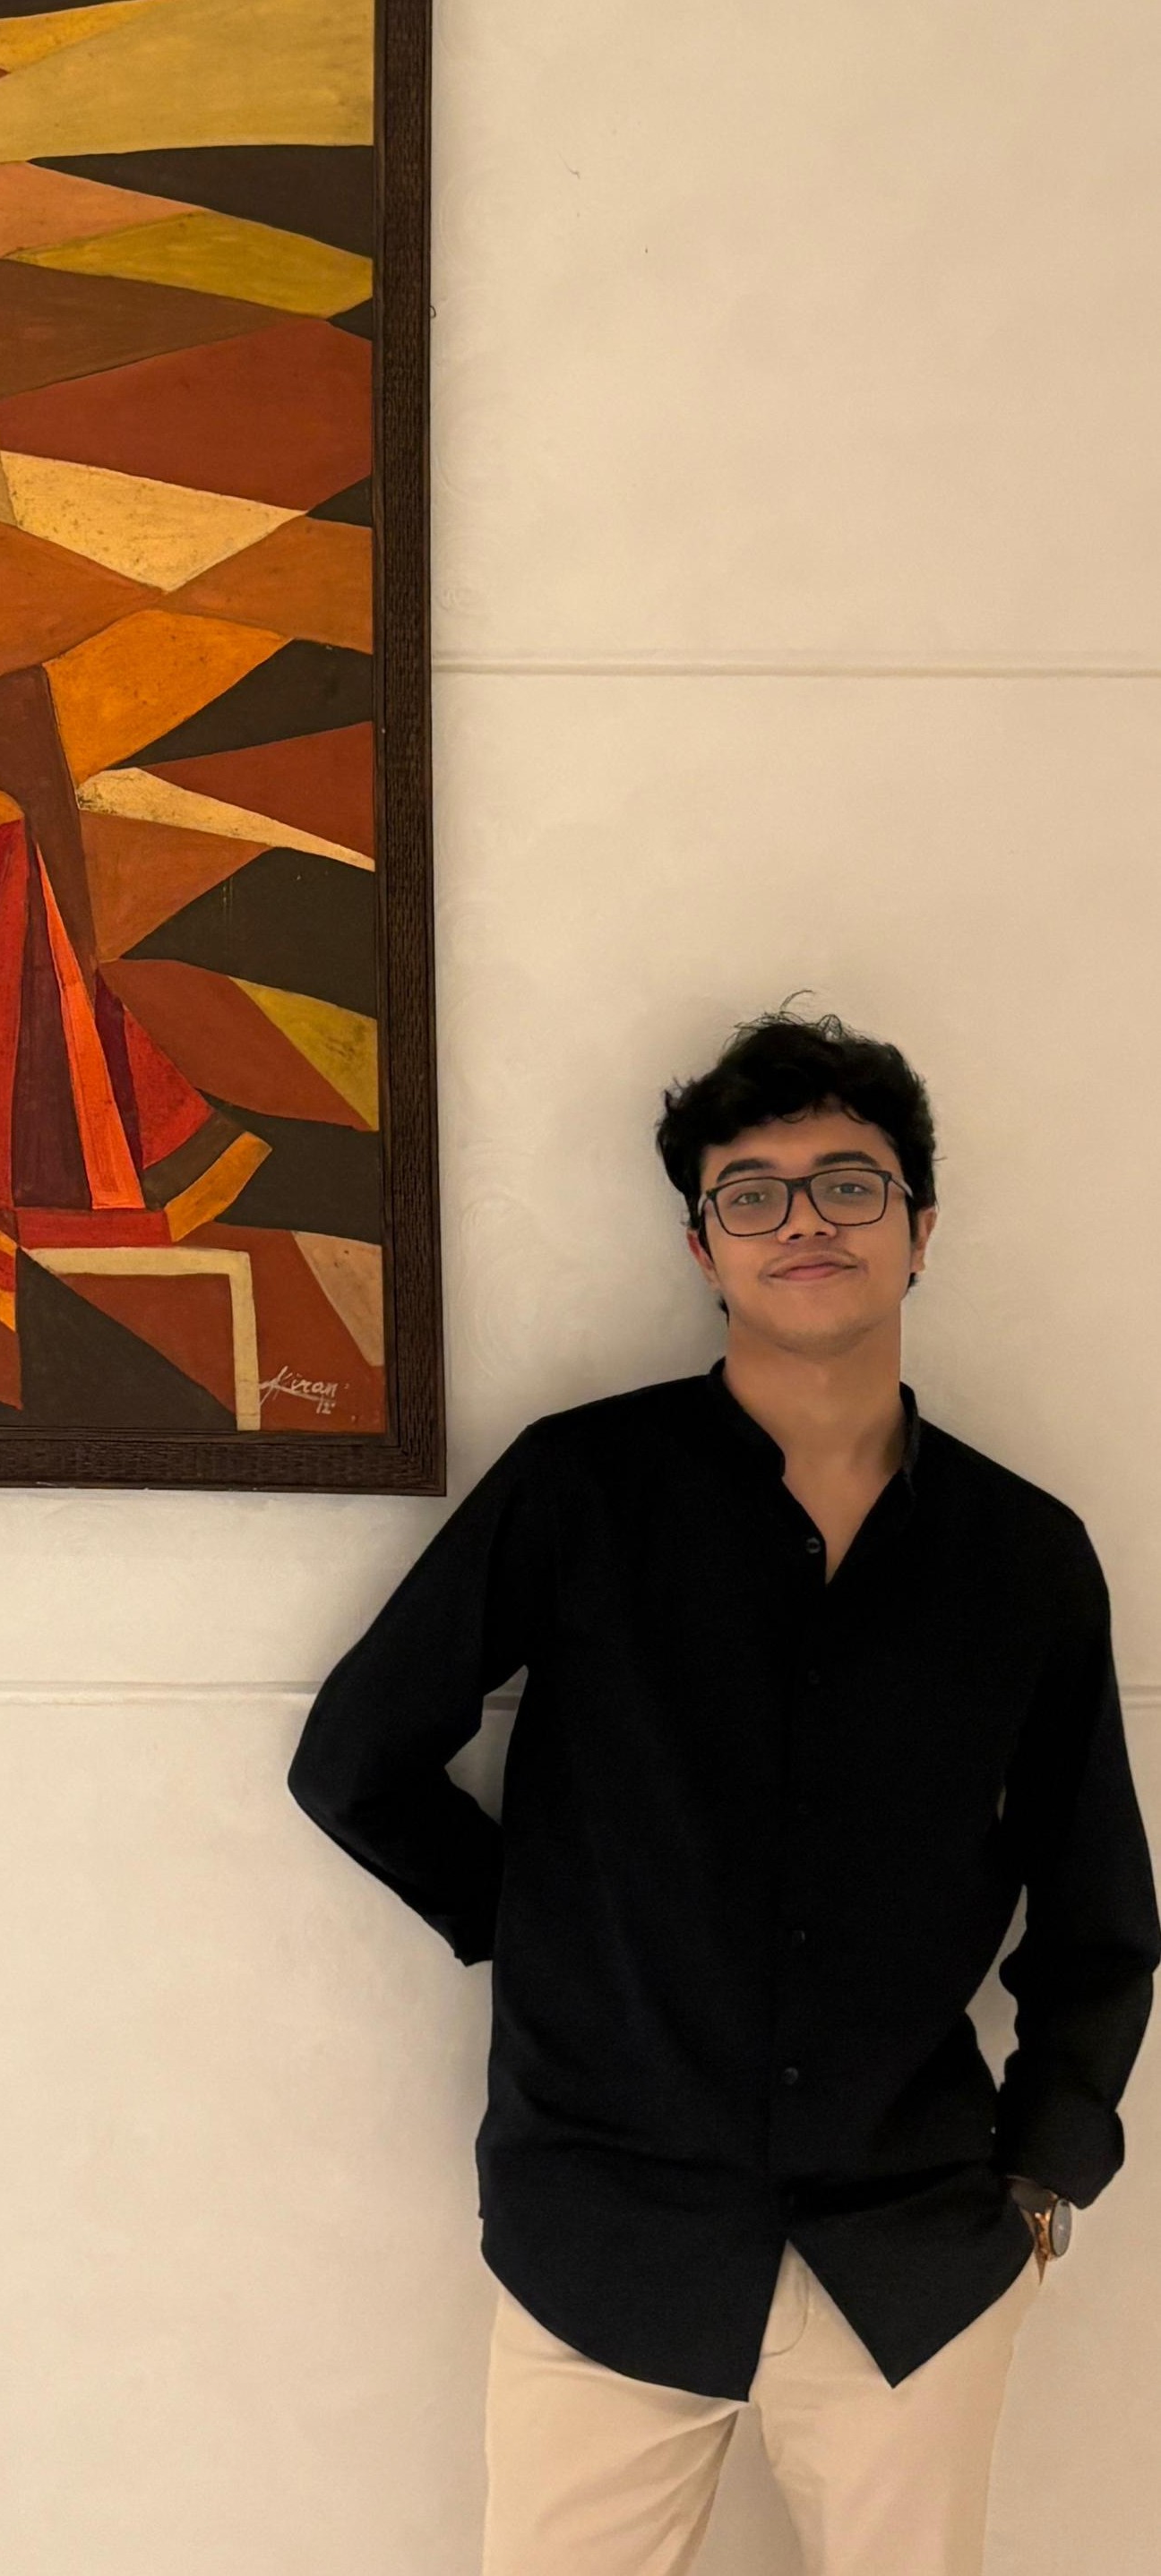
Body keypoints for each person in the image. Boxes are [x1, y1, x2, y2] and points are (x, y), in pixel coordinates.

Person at [286, 1007, 1161, 2576]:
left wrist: (1045, 2173)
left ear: (921, 1229)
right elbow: (357, 1757)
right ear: (704, 1247)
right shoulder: (579, 1488)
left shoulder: (1025, 1555)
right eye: (751, 1193)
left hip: (912, 2244)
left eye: (850, 1183)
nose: (804, 1220)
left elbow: (1098, 1905)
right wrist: (545, 1933)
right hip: (606, 2225)